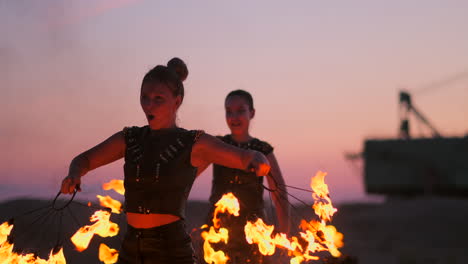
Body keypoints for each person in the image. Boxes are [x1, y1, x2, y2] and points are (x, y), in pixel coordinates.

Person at [60, 58, 271, 264]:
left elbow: (245, 157)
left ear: (176, 101)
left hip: (170, 250)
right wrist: (74, 173)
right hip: (131, 247)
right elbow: (85, 159)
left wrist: (258, 159)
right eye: (144, 97)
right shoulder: (130, 138)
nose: (149, 105)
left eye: (158, 98)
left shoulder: (193, 142)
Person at [198, 90, 290, 264]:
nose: (234, 116)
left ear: (252, 113)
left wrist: (284, 231)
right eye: (229, 111)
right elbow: (189, 175)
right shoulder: (218, 145)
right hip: (218, 227)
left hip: (253, 230)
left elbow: (279, 192)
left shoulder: (262, 149)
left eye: (240, 110)